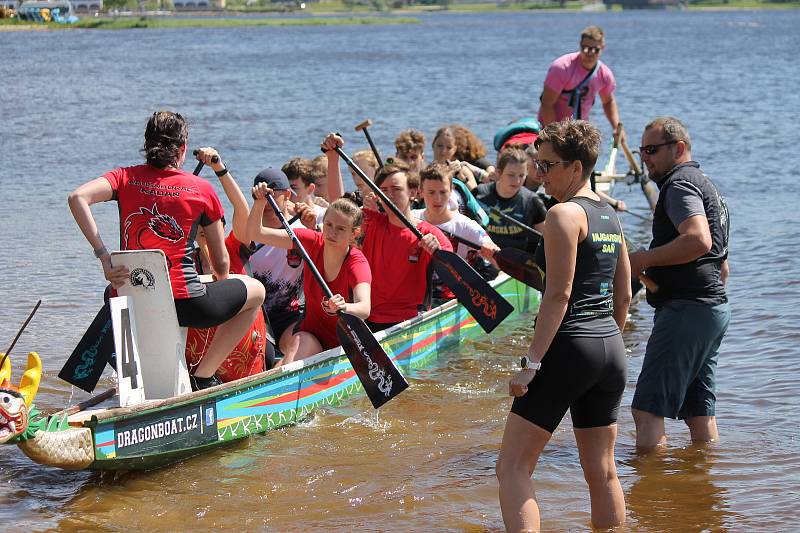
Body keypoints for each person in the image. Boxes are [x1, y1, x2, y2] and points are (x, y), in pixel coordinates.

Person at [496, 119, 632, 532]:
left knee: (512, 468)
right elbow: (624, 294)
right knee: (603, 472)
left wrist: (533, 363)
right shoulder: (609, 215)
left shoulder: (563, 215)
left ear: (576, 167)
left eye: (548, 165)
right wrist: (605, 341)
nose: (540, 175)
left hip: (570, 344)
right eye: (538, 164)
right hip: (609, 347)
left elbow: (559, 294)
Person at [67, 111, 265, 391]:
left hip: (130, 299)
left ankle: (135, 383)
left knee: (116, 293)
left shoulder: (124, 177)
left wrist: (104, 257)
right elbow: (221, 267)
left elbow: (77, 198)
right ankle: (204, 376)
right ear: (182, 149)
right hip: (187, 305)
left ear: (147, 144)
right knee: (256, 290)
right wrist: (216, 279)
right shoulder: (202, 189)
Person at [628, 117, 730, 450]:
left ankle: (651, 497)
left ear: (679, 148)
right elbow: (721, 264)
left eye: (652, 150)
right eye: (641, 150)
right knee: (699, 414)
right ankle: (701, 491)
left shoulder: (679, 185)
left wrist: (643, 259)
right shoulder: (706, 184)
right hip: (712, 310)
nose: (645, 157)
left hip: (687, 310)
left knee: (647, 410)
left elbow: (698, 241)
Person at [248, 189, 372, 365]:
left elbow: (364, 308)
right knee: (300, 342)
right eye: (328, 225)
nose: (332, 233)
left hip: (342, 344)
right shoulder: (310, 241)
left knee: (288, 359)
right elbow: (256, 233)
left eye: (341, 229)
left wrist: (344, 306)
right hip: (310, 334)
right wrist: (259, 202)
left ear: (355, 234)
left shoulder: (357, 263)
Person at [186, 147, 268, 379]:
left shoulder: (234, 245)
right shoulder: (185, 259)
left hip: (242, 353)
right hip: (201, 356)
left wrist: (219, 169)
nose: (205, 228)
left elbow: (241, 208)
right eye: (199, 224)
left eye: (210, 222)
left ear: (222, 225)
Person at [247, 167, 314, 364]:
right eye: (260, 197)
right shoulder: (247, 232)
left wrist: (313, 229)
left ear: (287, 195)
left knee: (297, 342)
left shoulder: (301, 229)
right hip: (256, 315)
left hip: (289, 315)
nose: (266, 203)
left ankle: (281, 372)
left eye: (271, 197)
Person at [412, 162, 499, 282]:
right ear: (420, 192)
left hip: (455, 291)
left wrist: (492, 251)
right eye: (431, 192)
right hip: (421, 289)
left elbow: (497, 260)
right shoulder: (411, 219)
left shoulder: (466, 226)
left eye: (443, 192)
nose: (437, 199)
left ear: (451, 190)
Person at [538, 26, 625, 145]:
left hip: (579, 134)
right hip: (551, 130)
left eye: (595, 49)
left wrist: (616, 127)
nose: (589, 53)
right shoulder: (561, 68)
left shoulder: (604, 74)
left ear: (602, 48)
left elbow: (608, 102)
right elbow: (547, 104)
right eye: (585, 48)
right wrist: (554, 137)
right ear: (580, 44)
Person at [473, 147, 547, 253]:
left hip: (516, 262)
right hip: (483, 258)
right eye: (511, 175)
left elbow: (546, 240)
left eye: (521, 176)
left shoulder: (533, 202)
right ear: (499, 173)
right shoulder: (479, 194)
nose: (517, 181)